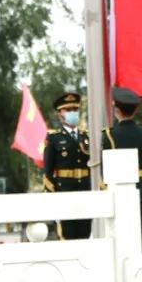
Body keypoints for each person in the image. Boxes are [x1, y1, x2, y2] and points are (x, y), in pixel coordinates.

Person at [101, 87, 142, 265]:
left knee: (123, 236)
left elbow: (106, 170)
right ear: (136, 110)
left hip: (119, 194)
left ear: (116, 109)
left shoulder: (109, 136)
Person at [42, 91, 92, 240]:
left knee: (85, 231)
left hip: (84, 189)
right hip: (64, 190)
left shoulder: (86, 136)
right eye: (68, 110)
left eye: (75, 110)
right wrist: (54, 196)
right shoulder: (54, 138)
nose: (72, 113)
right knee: (68, 234)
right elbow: (48, 172)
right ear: (60, 114)